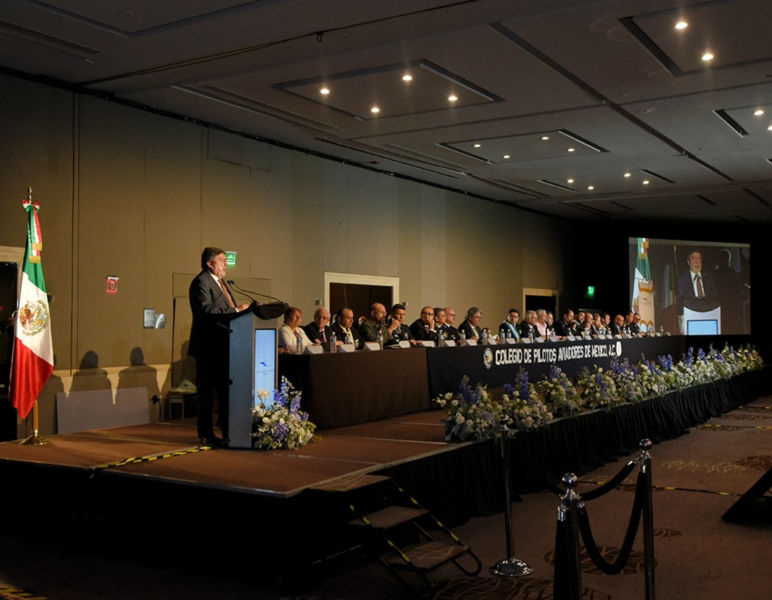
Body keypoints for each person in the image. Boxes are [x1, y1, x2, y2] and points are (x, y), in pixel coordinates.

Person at [188, 246, 250, 447]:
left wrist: (241, 311)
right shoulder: (201, 282)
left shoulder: (221, 283)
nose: (226, 264)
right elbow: (206, 310)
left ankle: (228, 432)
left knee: (225, 391)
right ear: (210, 263)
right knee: (207, 393)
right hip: (208, 347)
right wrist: (235, 309)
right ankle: (206, 433)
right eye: (222, 260)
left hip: (226, 346)